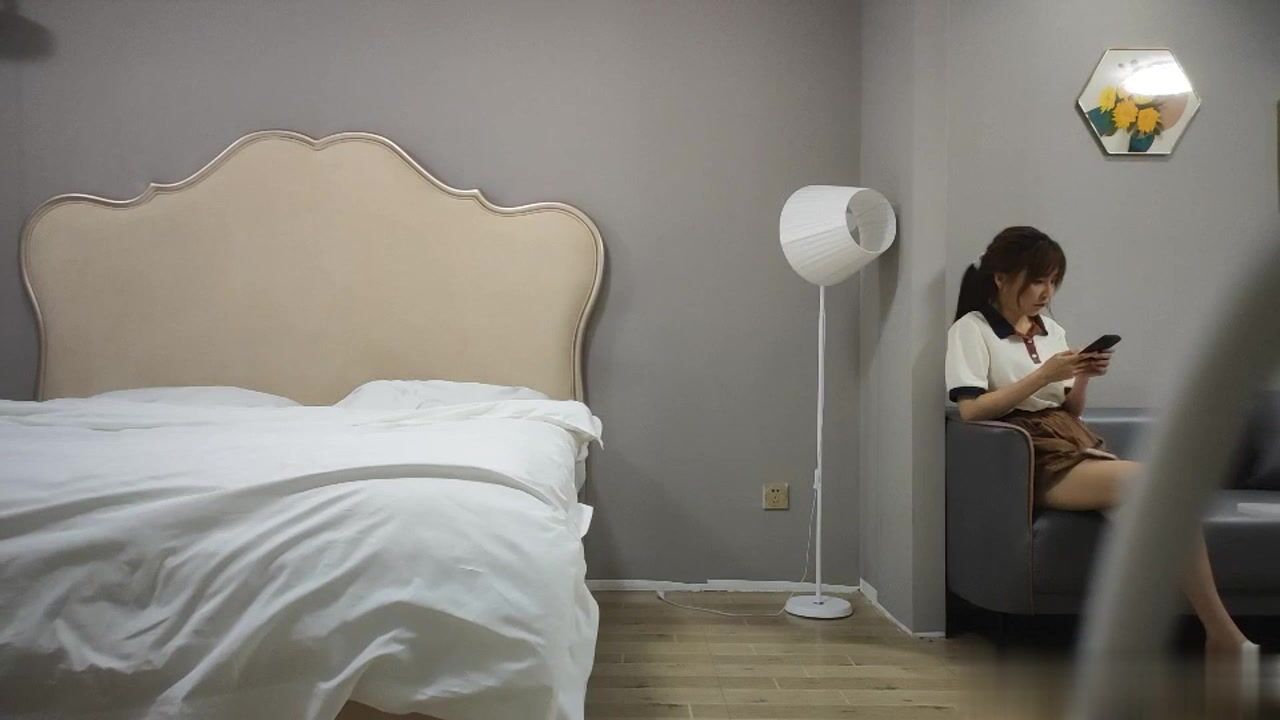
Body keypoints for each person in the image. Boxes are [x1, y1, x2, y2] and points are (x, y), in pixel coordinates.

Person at [944, 225, 1255, 665]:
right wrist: (1043, 375)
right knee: (1155, 482)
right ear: (1002, 277)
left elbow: (1070, 411)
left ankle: (1213, 635)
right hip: (1026, 456)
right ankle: (1221, 636)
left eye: (1054, 281)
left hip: (1068, 439)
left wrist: (1083, 376)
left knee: (1160, 508)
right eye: (1038, 280)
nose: (1047, 292)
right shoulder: (971, 330)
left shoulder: (1051, 330)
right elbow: (972, 410)